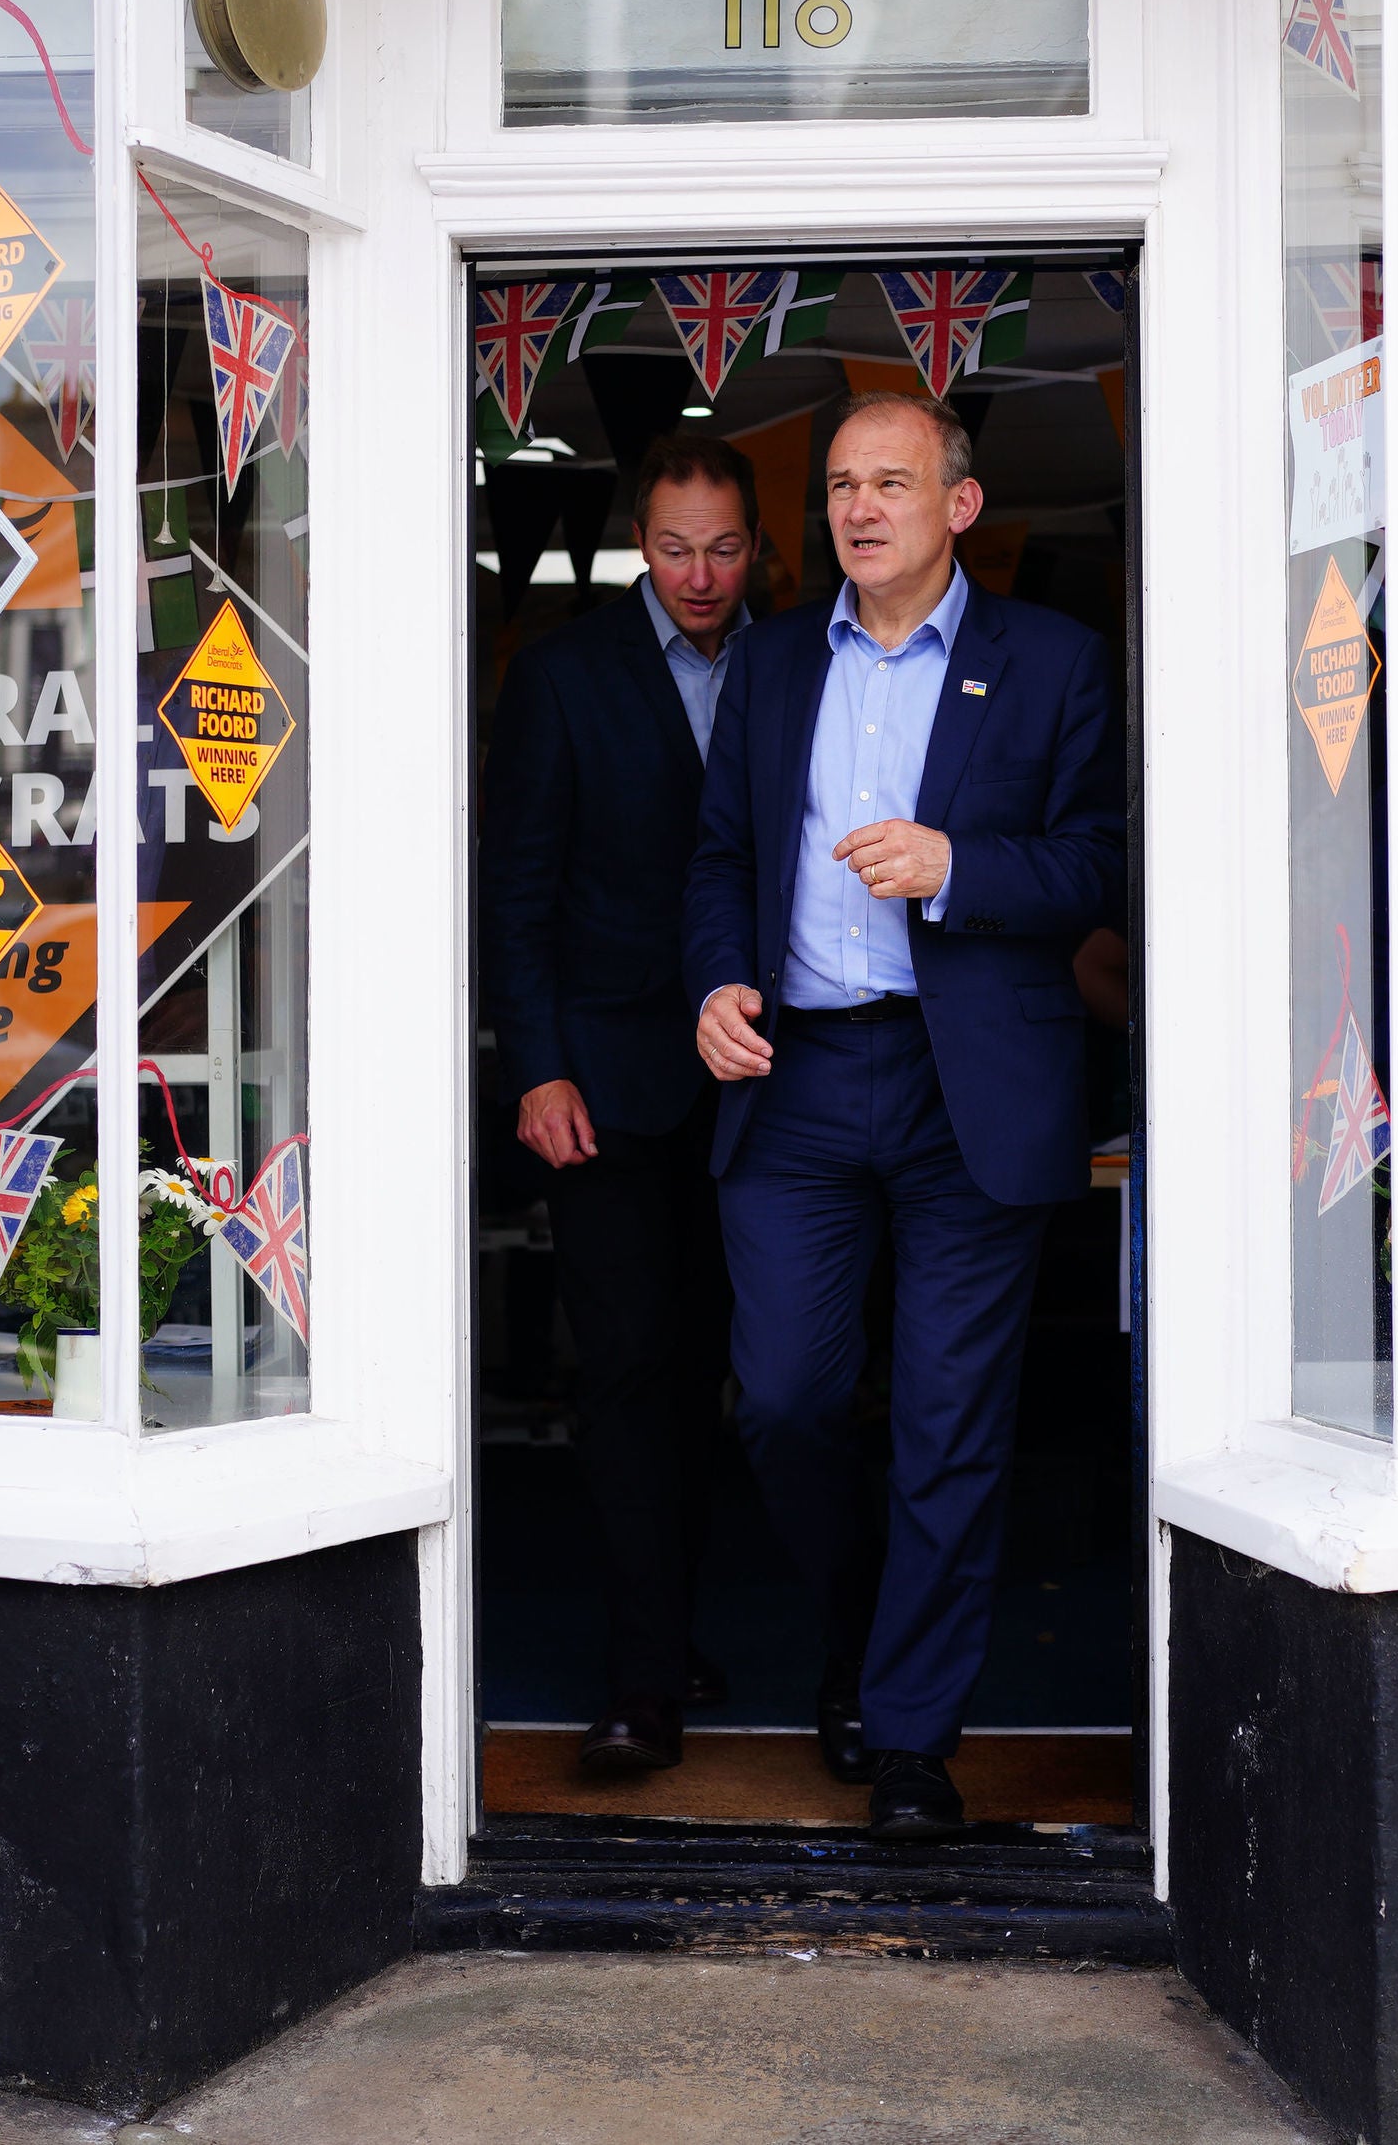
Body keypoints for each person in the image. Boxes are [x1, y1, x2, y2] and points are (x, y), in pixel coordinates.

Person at [684, 389, 1126, 1841]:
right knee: (788, 1401)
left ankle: (914, 1734)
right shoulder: (772, 668)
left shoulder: (1052, 662)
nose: (860, 506)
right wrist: (715, 983)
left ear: (961, 507)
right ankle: (869, 1631)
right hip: (798, 1079)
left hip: (967, 1091)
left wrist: (953, 862)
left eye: (892, 481)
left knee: (949, 1422)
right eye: (840, 484)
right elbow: (723, 855)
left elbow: (1094, 870)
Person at [481, 430, 763, 1777]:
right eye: (673, 547)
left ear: (756, 545)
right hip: (601, 1086)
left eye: (722, 547)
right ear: (635, 543)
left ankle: (679, 1624)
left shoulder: (804, 663)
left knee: (740, 1378)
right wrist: (533, 1064)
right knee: (633, 1372)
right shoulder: (562, 676)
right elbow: (517, 890)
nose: (698, 575)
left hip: (775, 1084)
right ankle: (642, 1675)